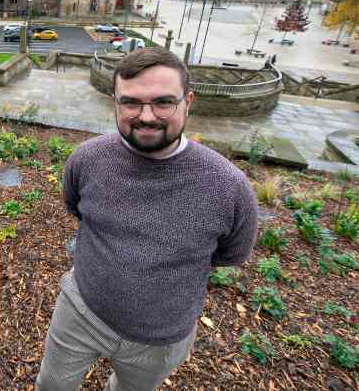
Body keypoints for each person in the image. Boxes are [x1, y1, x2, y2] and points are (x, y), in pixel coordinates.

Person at [36, 47, 259, 391]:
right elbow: (75, 207)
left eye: (163, 102)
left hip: (160, 339)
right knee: (51, 385)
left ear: (188, 101)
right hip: (81, 311)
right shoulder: (87, 160)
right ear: (115, 102)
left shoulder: (228, 187)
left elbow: (232, 254)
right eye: (131, 102)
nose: (146, 115)